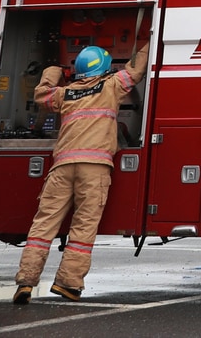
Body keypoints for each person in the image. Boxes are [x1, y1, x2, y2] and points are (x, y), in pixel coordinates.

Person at [11, 39, 149, 304]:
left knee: (43, 225)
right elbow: (136, 70)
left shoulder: (65, 93)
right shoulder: (111, 85)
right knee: (83, 227)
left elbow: (42, 94)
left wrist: (55, 70)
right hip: (94, 168)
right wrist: (149, 42)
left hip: (62, 167)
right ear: (104, 68)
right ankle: (68, 284)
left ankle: (26, 282)